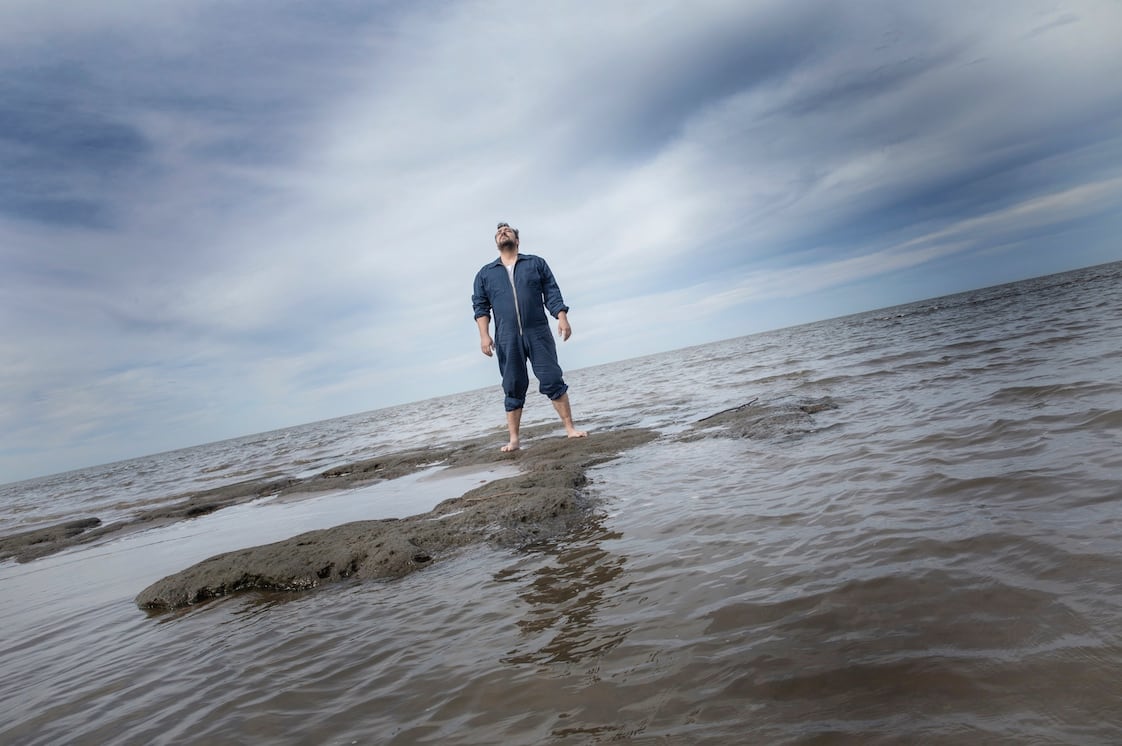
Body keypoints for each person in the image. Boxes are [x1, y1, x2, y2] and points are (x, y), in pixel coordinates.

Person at [472, 222, 588, 452]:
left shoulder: (535, 263)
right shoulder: (485, 274)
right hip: (507, 337)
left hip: (538, 332)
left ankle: (570, 429)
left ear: (517, 240)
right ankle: (514, 440)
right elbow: (480, 307)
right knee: (513, 385)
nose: (502, 232)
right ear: (496, 243)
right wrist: (484, 336)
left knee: (552, 377)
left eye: (507, 230)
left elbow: (552, 293)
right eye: (498, 232)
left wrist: (562, 317)